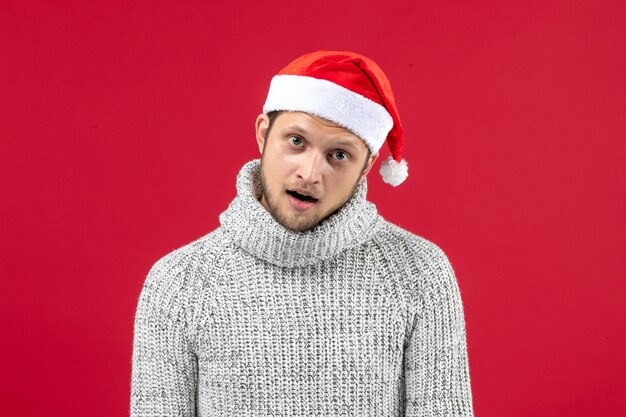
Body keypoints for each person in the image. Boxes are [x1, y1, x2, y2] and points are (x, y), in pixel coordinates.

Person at [130, 50, 475, 416]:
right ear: (264, 133)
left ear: (367, 166)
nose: (310, 173)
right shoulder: (179, 283)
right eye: (297, 141)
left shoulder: (419, 274)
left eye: (338, 155)